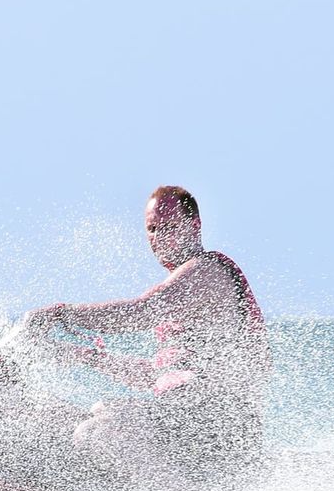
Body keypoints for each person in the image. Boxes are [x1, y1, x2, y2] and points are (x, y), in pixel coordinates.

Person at [24, 185, 269, 472]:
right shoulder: (184, 294)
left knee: (97, 431)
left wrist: (59, 314)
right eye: (153, 229)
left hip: (222, 430)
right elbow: (156, 375)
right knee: (98, 410)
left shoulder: (208, 270)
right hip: (191, 425)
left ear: (195, 225)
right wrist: (84, 356)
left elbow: (140, 312)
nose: (160, 237)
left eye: (169, 226)